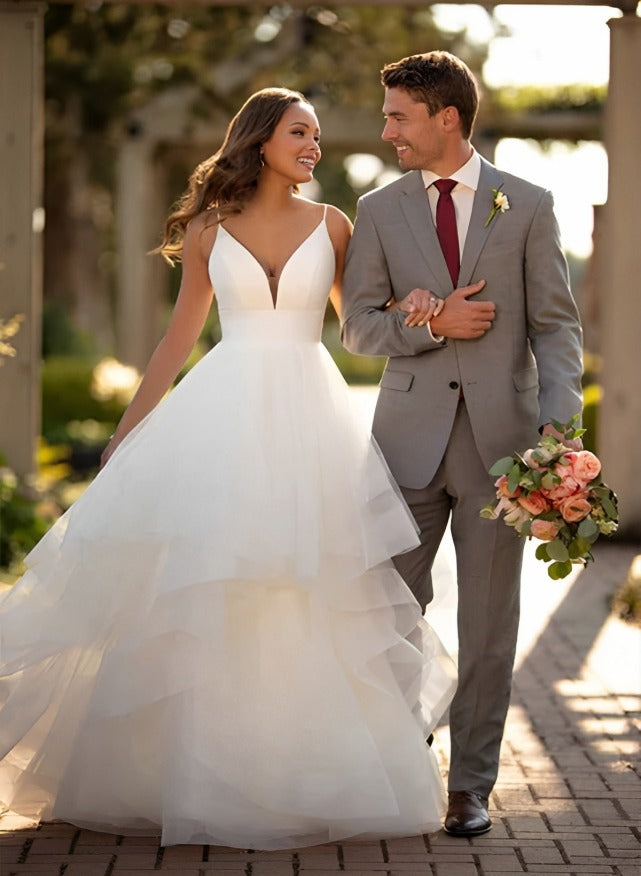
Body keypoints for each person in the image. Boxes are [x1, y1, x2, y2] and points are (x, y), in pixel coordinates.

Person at [0, 88, 457, 850]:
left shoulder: (333, 224)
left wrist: (421, 310)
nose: (313, 146)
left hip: (312, 417)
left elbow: (357, 327)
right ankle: (201, 776)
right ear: (260, 140)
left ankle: (311, 772)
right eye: (299, 133)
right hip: (222, 416)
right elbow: (178, 340)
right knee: (216, 587)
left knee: (310, 586)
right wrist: (126, 435)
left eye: (315, 135)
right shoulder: (211, 229)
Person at [341, 52, 583, 838]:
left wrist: (557, 424)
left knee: (488, 627)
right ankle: (396, 753)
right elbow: (355, 328)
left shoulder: (530, 205)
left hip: (502, 451)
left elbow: (554, 325)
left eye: (397, 116)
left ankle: (468, 786)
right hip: (403, 446)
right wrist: (427, 322)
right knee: (384, 612)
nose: (386, 131)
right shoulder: (377, 209)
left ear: (446, 117)